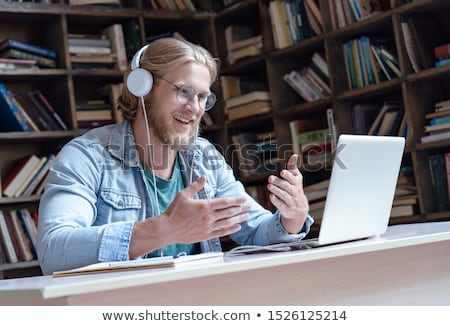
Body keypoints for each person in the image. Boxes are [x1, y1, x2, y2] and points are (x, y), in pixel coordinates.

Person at [37, 37, 313, 275]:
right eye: (184, 92)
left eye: (203, 97)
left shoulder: (206, 157)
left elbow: (255, 230)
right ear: (142, 87)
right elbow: (54, 250)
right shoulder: (86, 156)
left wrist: (292, 218)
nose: (195, 109)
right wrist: (163, 230)